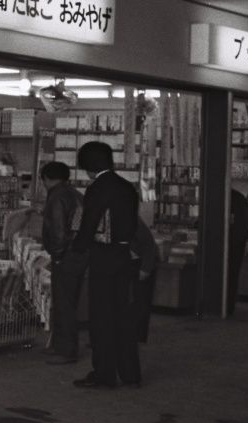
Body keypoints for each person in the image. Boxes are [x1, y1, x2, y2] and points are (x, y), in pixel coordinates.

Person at [69, 141, 141, 390]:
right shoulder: (126, 187)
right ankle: (130, 373)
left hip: (103, 256)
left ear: (88, 166)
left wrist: (77, 247)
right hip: (125, 254)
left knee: (101, 317)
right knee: (124, 316)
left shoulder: (97, 188)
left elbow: (90, 223)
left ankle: (105, 374)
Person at [39, 161, 84, 364]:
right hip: (78, 253)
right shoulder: (74, 193)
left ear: (46, 178)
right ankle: (60, 345)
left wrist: (56, 256)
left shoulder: (56, 197)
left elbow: (58, 231)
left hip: (66, 256)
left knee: (63, 303)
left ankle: (65, 351)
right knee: (68, 302)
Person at [132, 219, 159, 344]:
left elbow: (149, 244)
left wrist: (145, 269)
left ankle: (138, 337)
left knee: (141, 300)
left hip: (142, 262)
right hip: (130, 261)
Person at [226, 188, 248, 315]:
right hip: (237, 242)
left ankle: (227, 304)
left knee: (229, 274)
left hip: (233, 241)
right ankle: (229, 304)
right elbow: (246, 225)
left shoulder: (229, 198)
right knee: (232, 274)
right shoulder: (240, 198)